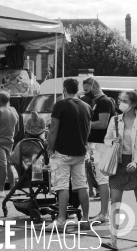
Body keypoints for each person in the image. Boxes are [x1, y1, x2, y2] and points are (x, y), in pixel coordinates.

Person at [46, 78, 91, 228]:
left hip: (62, 151)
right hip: (80, 151)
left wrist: (50, 148)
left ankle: (61, 220)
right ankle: (85, 219)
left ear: (64, 89)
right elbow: (88, 129)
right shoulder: (86, 106)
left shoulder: (60, 105)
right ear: (77, 89)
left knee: (62, 186)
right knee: (81, 185)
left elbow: (53, 128)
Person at [102, 90, 137, 250]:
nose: (120, 103)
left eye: (124, 101)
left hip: (135, 163)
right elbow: (107, 138)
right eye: (120, 100)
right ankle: (113, 240)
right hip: (119, 163)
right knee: (115, 202)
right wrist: (112, 143)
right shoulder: (115, 120)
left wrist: (136, 162)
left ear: (134, 104)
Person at [86, 78, 115, 224]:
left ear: (94, 86)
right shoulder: (99, 101)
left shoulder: (103, 102)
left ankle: (104, 214)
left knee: (103, 180)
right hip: (98, 145)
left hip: (102, 145)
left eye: (87, 90)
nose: (86, 93)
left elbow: (103, 123)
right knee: (101, 179)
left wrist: (85, 123)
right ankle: (103, 213)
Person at [0, 92, 19, 197]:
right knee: (9, 165)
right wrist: (11, 136)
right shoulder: (14, 110)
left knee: (2, 165)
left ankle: (1, 190)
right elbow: (18, 128)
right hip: (9, 140)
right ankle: (13, 189)